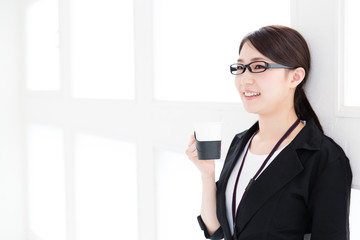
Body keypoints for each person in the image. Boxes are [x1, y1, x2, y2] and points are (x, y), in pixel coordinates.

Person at [185, 25, 352, 240]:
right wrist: (207, 175)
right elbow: (217, 231)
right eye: (240, 67)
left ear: (295, 77)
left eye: (258, 67)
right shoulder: (241, 142)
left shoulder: (323, 158)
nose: (245, 79)